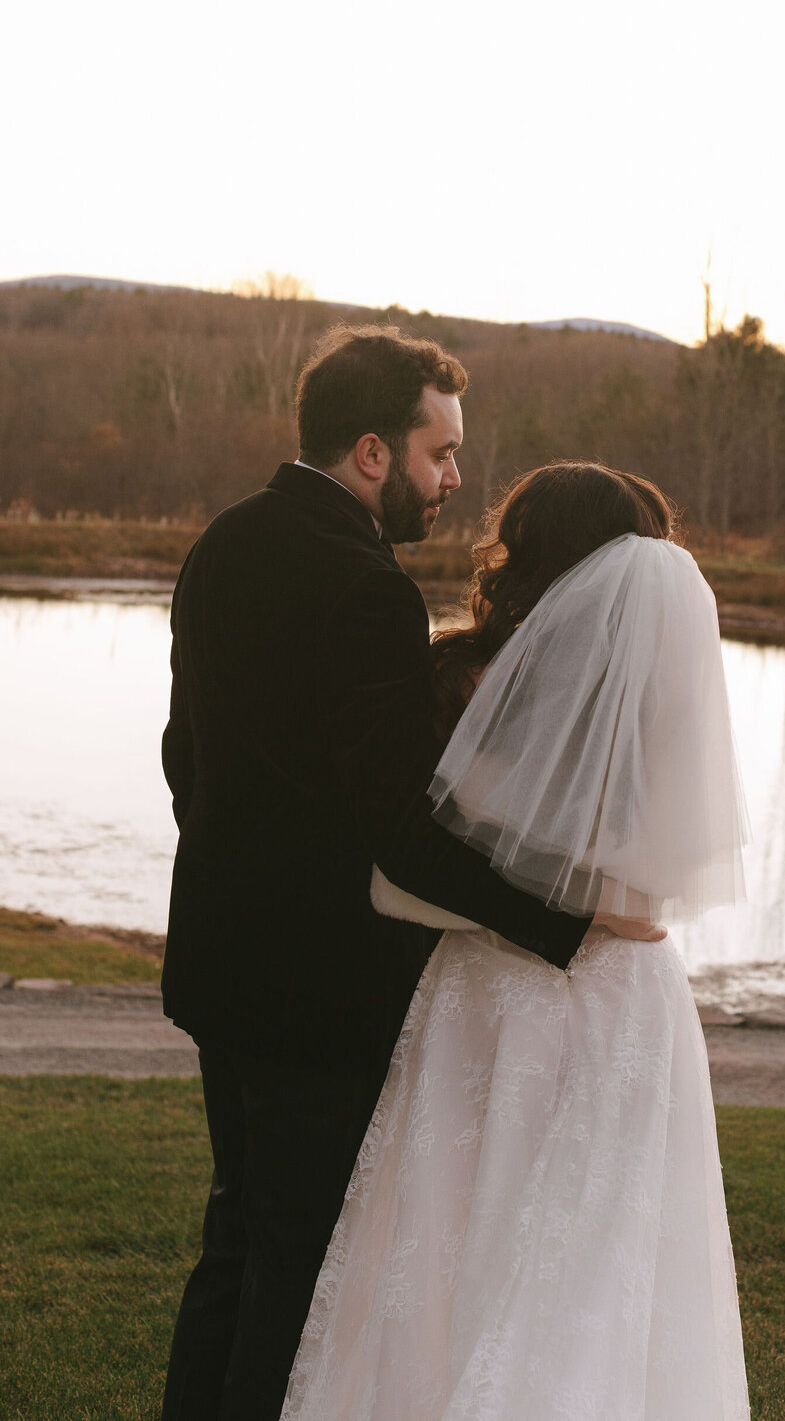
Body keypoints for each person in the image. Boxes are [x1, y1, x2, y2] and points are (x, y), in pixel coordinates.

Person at [158, 329, 664, 1421]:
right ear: (374, 452)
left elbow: (182, 755)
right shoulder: (367, 589)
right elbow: (399, 830)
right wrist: (568, 925)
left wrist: (237, 866)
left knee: (235, 1237)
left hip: (214, 963)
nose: (454, 479)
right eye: (440, 454)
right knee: (296, 1265)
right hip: (320, 994)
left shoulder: (220, 545)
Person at [280, 462, 751, 1420]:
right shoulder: (651, 701)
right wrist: (596, 909)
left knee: (464, 1235)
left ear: (524, 556)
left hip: (492, 987)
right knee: (593, 1251)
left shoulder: (458, 681)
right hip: (619, 993)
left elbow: (405, 865)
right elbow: (650, 894)